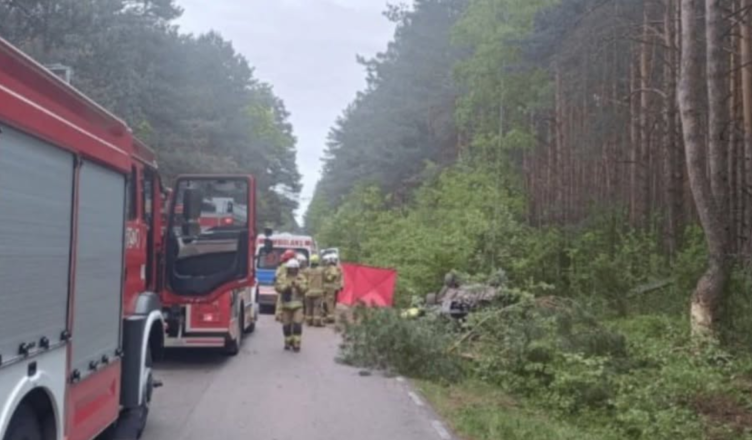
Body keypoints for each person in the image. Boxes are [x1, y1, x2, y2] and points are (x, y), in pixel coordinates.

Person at [274, 258, 308, 351]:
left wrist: (298, 285)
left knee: (297, 325)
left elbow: (305, 289)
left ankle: (296, 343)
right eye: (291, 268)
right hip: (286, 305)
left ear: (297, 269)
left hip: (298, 305)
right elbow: (277, 287)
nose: (292, 270)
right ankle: (287, 342)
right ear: (288, 268)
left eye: (294, 268)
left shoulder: (301, 277)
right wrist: (287, 286)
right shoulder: (283, 277)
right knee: (286, 326)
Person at [274, 249, 298, 321]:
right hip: (288, 285)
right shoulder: (292, 265)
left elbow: (276, 275)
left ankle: (279, 315)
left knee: (280, 300)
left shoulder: (282, 265)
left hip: (282, 284)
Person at [303, 254, 325, 327]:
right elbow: (325, 279)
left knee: (308, 307)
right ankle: (316, 322)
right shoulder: (321, 270)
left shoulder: (306, 270)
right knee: (317, 307)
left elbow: (303, 280)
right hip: (318, 293)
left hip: (308, 292)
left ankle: (308, 322)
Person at [322, 254, 343, 324]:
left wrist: (341, 285)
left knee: (331, 301)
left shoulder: (337, 269)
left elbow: (341, 278)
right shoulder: (327, 268)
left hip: (333, 287)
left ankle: (329, 314)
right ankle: (328, 313)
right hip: (331, 287)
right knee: (329, 301)